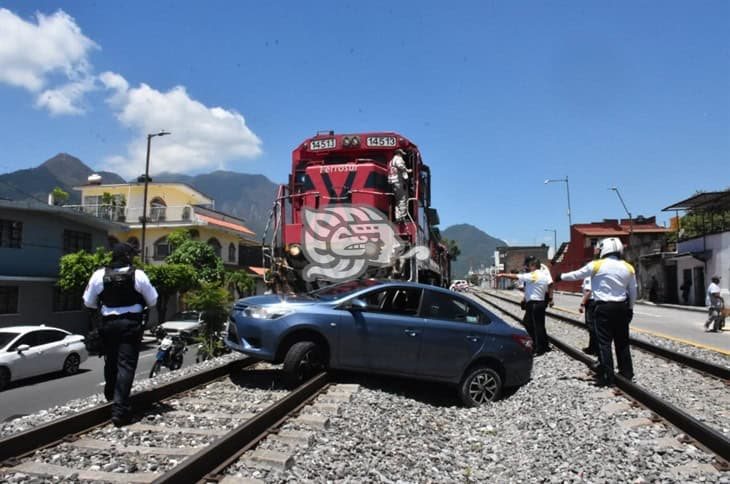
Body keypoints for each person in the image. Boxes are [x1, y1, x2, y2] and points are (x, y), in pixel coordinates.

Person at [83, 243, 158, 426]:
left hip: (108, 324)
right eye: (132, 254)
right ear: (126, 256)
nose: (133, 257)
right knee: (126, 365)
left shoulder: (99, 275)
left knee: (111, 361)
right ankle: (120, 410)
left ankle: (111, 397)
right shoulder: (138, 275)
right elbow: (153, 300)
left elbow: (88, 302)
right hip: (130, 324)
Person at [556, 237, 636, 386]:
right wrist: (630, 309)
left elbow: (576, 274)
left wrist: (561, 276)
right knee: (622, 342)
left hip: (603, 308)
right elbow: (633, 291)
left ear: (604, 249)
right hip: (622, 307)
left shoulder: (597, 265)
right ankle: (627, 373)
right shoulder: (628, 267)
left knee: (604, 343)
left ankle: (607, 375)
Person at [497, 256, 553, 355]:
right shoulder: (544, 275)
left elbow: (516, 276)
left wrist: (502, 274)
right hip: (540, 302)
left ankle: (539, 348)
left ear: (534, 265)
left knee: (532, 325)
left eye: (529, 265)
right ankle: (544, 346)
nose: (528, 267)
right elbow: (532, 289)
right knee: (539, 326)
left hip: (534, 304)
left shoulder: (534, 275)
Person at [388, 148, 411, 222]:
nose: (402, 156)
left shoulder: (391, 161)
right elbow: (400, 165)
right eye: (401, 154)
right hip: (398, 181)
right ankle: (402, 217)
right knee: (403, 198)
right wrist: (407, 170)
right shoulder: (398, 159)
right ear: (399, 153)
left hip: (392, 182)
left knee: (397, 200)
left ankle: (398, 216)